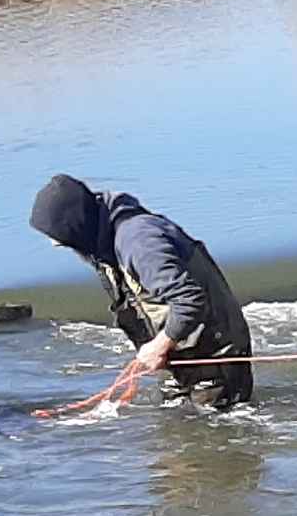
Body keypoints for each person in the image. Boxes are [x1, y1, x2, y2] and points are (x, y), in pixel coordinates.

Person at [27, 175, 255, 410]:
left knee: (219, 435)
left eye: (60, 238)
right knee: (177, 431)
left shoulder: (140, 243)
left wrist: (160, 345)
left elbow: (190, 299)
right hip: (181, 354)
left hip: (214, 355)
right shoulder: (105, 238)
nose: (55, 245)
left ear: (77, 226)